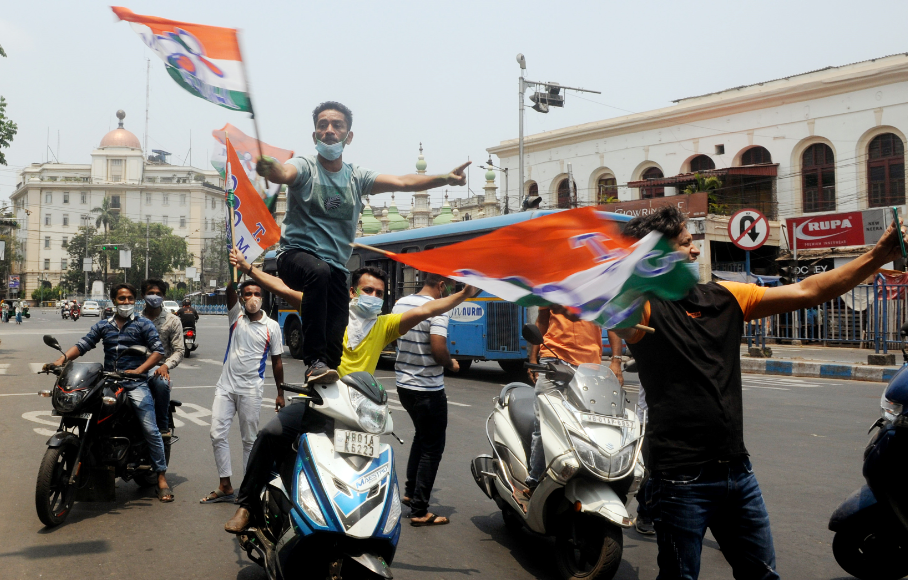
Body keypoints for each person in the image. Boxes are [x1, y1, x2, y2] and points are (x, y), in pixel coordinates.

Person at [610, 205, 908, 580]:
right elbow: (620, 317)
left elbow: (807, 289)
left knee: (762, 575)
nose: (696, 251)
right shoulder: (645, 308)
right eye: (686, 244)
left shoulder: (725, 296)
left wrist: (878, 255)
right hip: (679, 479)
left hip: (737, 471)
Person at [223, 248, 476, 533]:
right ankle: (246, 505)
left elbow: (428, 309)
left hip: (357, 414)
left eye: (380, 294)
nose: (374, 297)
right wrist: (248, 269)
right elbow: (283, 287)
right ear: (353, 293)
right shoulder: (328, 313)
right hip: (318, 403)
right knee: (270, 435)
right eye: (368, 290)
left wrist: (462, 295)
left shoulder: (386, 325)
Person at [255, 101, 470, 385]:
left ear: (349, 136)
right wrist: (271, 169)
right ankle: (314, 361)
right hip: (295, 257)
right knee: (318, 272)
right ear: (314, 135)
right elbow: (284, 174)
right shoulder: (305, 166)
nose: (329, 131)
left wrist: (445, 178)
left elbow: (402, 182)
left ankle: (327, 370)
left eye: (337, 125)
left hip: (334, 267)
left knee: (337, 322)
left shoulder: (357, 176)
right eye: (322, 125)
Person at [47, 283, 173, 502]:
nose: (126, 303)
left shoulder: (143, 324)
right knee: (87, 411)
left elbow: (157, 353)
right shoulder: (103, 326)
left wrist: (139, 370)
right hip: (108, 381)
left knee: (149, 427)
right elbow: (84, 344)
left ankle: (161, 476)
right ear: (113, 301)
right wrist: (60, 360)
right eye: (122, 299)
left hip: (135, 382)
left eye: (130, 299)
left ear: (135, 301)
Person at [201, 278, 284, 505]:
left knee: (249, 441)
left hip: (251, 391)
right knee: (217, 434)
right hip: (226, 387)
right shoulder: (235, 317)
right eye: (247, 294)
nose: (253, 298)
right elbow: (229, 292)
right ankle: (225, 485)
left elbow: (277, 362)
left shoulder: (272, 327)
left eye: (257, 293)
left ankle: (248, 489)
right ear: (241, 297)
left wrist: (280, 393)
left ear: (263, 298)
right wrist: (231, 279)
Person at [392, 272, 461, 526]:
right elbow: (438, 347)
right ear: (441, 285)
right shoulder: (438, 309)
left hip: (404, 385)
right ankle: (420, 510)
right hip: (427, 388)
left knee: (421, 437)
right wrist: (451, 364)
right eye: (450, 287)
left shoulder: (401, 303)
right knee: (432, 448)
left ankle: (411, 492)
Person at [524, 305, 604, 494]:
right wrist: (533, 358)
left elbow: (613, 323)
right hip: (553, 359)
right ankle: (535, 478)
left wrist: (616, 360)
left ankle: (582, 474)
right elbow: (542, 319)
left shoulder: (600, 281)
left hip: (589, 365)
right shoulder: (555, 280)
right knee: (544, 423)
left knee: (588, 427)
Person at [141, 279, 184, 438]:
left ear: (163, 297)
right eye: (150, 293)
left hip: (157, 368)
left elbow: (179, 351)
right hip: (133, 367)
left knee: (161, 384)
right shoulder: (135, 319)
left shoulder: (172, 320)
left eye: (158, 294)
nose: (154, 296)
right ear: (142, 295)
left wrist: (165, 366)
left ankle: (162, 427)